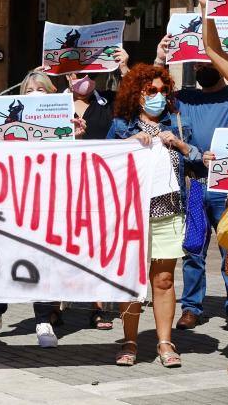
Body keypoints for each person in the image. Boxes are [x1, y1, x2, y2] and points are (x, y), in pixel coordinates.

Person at [0, 69, 85, 347]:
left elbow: (77, 162)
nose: (35, 95)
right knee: (6, 257)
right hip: (11, 202)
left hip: (46, 203)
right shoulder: (8, 122)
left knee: (42, 260)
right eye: (29, 91)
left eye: (41, 90)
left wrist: (77, 136)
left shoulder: (63, 124)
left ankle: (43, 319)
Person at [107, 63, 199, 368]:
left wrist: (182, 144)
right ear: (138, 94)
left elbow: (199, 161)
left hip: (169, 212)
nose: (159, 96)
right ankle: (130, 341)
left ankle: (164, 342)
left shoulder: (178, 123)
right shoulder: (122, 125)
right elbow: (103, 162)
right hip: (131, 215)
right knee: (131, 279)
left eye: (163, 90)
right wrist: (128, 144)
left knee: (163, 279)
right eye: (152, 91)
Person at [167, 0, 228, 331]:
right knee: (193, 249)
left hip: (226, 189)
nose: (205, 65)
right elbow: (149, 97)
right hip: (194, 184)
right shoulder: (184, 99)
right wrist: (160, 56)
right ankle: (192, 306)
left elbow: (216, 48)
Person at [65, 50, 129, 330]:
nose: (84, 79)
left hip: (101, 185)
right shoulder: (53, 105)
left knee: (99, 245)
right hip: (63, 185)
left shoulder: (109, 101)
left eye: (90, 73)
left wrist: (124, 67)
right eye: (78, 73)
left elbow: (136, 98)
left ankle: (98, 307)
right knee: (62, 245)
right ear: (67, 75)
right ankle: (53, 306)